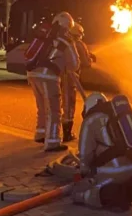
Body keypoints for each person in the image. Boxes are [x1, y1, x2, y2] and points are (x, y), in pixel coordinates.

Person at [27, 12, 80, 152]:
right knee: (54, 110)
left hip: (32, 73)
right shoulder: (66, 40)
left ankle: (40, 133)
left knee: (42, 106)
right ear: (68, 26)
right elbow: (75, 64)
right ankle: (52, 142)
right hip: (48, 76)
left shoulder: (45, 35)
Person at [60, 23, 96, 142]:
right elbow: (85, 63)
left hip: (61, 76)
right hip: (71, 78)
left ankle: (61, 131)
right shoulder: (78, 44)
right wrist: (90, 59)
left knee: (62, 103)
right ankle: (67, 134)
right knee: (69, 104)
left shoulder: (64, 42)